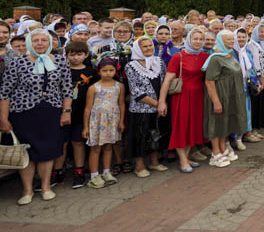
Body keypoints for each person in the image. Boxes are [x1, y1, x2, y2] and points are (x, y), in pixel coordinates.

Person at [0, 30, 74, 204]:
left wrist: (66, 111)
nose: (40, 43)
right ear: (29, 43)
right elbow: (5, 92)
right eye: (35, 40)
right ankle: (27, 190)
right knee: (27, 150)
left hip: (51, 112)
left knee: (47, 151)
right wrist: (3, 118)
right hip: (23, 113)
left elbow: (67, 88)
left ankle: (46, 186)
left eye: (43, 40)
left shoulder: (61, 61)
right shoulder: (17, 62)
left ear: (49, 42)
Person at [158, 28, 208, 172]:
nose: (198, 42)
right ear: (189, 40)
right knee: (182, 127)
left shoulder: (205, 56)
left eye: (200, 39)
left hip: (199, 97)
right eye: (195, 39)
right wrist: (162, 101)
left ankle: (186, 157)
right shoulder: (178, 57)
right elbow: (167, 81)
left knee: (193, 127)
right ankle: (183, 160)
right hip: (182, 96)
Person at [51, 41, 96, 189]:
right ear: (66, 55)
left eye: (79, 54)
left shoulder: (91, 72)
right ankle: (57, 171)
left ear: (86, 55)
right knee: (61, 142)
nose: (76, 58)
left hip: (82, 113)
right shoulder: (61, 70)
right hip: (62, 112)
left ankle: (79, 171)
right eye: (72, 54)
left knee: (78, 142)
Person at [203, 31, 247, 167]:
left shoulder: (230, 54)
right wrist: (215, 101)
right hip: (220, 95)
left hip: (231, 95)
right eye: (228, 39)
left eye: (232, 39)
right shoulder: (215, 58)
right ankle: (215, 153)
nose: (232, 41)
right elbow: (209, 82)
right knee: (216, 123)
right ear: (221, 41)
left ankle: (223, 148)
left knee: (225, 121)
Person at [124, 37, 167, 178]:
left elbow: (165, 83)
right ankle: (139, 165)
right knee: (140, 136)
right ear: (138, 49)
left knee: (155, 134)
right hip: (141, 108)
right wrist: (157, 104)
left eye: (150, 46)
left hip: (159, 106)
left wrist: (162, 102)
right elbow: (136, 91)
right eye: (145, 47)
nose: (149, 48)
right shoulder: (131, 66)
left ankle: (154, 162)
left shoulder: (159, 62)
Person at [82, 56, 125, 188]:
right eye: (104, 70)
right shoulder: (94, 88)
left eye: (111, 70)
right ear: (99, 71)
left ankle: (107, 171)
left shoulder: (120, 86)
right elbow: (88, 108)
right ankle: (94, 175)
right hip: (97, 121)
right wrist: (85, 127)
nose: (108, 73)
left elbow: (122, 104)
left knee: (108, 146)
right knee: (96, 148)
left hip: (112, 121)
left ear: (115, 71)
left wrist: (121, 121)